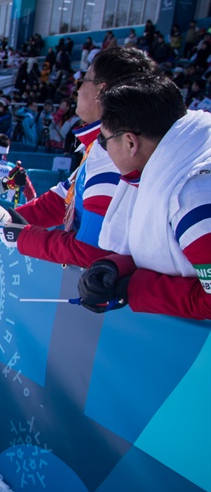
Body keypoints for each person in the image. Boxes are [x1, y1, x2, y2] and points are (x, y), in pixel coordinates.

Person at [0, 47, 160, 269]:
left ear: (102, 90)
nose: (77, 89)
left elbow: (91, 253)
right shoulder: (101, 146)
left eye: (84, 80)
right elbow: (62, 199)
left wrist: (22, 237)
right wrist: (8, 219)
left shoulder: (115, 156)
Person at [78, 74, 211, 320]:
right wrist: (118, 267)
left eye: (103, 141)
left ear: (130, 142)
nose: (103, 150)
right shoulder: (178, 163)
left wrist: (132, 289)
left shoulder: (193, 199)